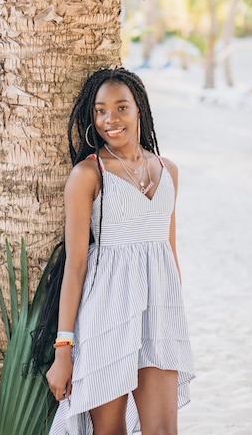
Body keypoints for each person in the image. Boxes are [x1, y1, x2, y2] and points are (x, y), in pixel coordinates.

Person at [45, 67, 194, 435]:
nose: (110, 119)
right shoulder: (88, 174)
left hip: (159, 314)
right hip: (106, 314)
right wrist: (63, 350)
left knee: (163, 431)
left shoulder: (168, 170)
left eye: (121, 107)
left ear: (139, 108)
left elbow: (168, 253)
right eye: (100, 110)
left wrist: (175, 316)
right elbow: (76, 267)